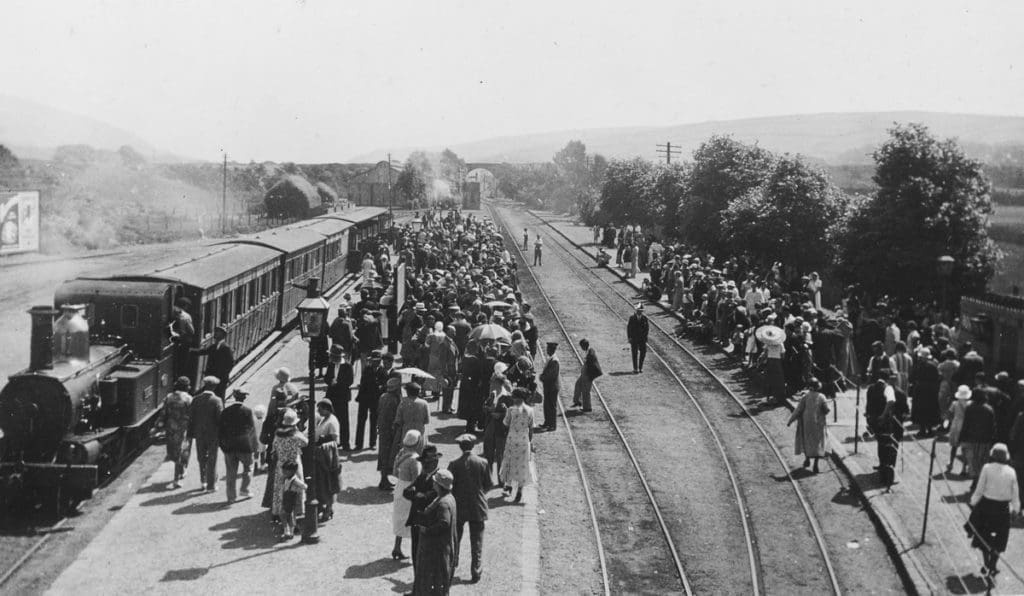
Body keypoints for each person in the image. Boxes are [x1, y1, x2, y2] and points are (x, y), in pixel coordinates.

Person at [967, 443, 1020, 580]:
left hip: (987, 506)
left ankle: (986, 562)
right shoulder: (1011, 471)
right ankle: (993, 564)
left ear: (993, 454)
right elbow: (1015, 494)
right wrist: (1016, 509)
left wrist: (973, 502)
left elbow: (979, 488)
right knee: (1001, 538)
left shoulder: (987, 468)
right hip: (1003, 509)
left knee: (983, 535)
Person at [449, 433, 493, 584]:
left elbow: (450, 487)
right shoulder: (483, 462)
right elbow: (488, 484)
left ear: (460, 447)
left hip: (459, 506)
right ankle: (476, 571)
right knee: (477, 541)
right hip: (477, 506)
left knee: (455, 538)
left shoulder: (454, 464)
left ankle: (452, 565)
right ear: (473, 446)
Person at [413, 469, 457, 596]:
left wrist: (426, 530)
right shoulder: (448, 498)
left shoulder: (443, 503)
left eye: (435, 482)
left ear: (439, 485)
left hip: (437, 549)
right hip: (442, 547)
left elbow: (444, 523)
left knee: (436, 582)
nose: (433, 484)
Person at [218, 388, 258, 503]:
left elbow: (220, 430)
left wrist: (222, 445)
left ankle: (231, 497)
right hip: (244, 446)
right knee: (248, 468)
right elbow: (252, 430)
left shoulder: (225, 411)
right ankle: (245, 489)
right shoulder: (247, 411)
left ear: (234, 396)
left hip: (229, 446)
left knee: (231, 472)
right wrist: (254, 447)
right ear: (244, 398)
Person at [271, 408, 308, 526]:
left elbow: (274, 447)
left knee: (281, 490)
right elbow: (306, 443)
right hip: (294, 465)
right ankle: (297, 514)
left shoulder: (278, 434)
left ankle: (280, 513)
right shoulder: (295, 435)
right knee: (296, 489)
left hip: (281, 465)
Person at [787, 378, 830, 473]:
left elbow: (798, 410)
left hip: (806, 423)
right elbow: (826, 410)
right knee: (818, 443)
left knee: (807, 441)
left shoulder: (805, 397)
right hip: (818, 424)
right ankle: (816, 464)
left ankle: (807, 459)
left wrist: (790, 421)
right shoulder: (822, 397)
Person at [188, 376, 223, 492]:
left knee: (201, 457)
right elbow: (220, 419)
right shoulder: (217, 400)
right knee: (212, 458)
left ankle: (203, 481)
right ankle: (211, 485)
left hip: (199, 434)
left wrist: (191, 433)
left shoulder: (196, 399)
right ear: (214, 387)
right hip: (213, 434)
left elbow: (191, 417)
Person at [392, 430, 423, 561]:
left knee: (400, 517)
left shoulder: (401, 454)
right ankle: (417, 551)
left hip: (400, 487)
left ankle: (397, 547)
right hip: (410, 489)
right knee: (413, 519)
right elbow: (417, 478)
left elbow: (394, 472)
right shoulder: (415, 459)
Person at [501, 388, 535, 503]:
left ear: (516, 398)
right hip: (524, 441)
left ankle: (508, 484)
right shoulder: (530, 410)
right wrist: (530, 441)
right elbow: (531, 428)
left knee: (509, 462)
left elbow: (506, 423)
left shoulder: (511, 410)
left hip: (511, 440)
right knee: (523, 465)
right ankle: (519, 490)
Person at [961, 389, 997, 490]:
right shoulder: (989, 409)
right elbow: (993, 426)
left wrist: (962, 437)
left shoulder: (970, 408)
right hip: (985, 440)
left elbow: (966, 424)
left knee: (973, 461)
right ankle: (979, 482)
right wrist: (993, 439)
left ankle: (975, 481)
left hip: (972, 439)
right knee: (983, 462)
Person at [313, 400, 342, 521]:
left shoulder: (332, 421)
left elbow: (335, 440)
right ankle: (322, 506)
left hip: (328, 456)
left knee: (329, 482)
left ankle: (328, 508)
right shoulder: (322, 419)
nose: (318, 411)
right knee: (321, 482)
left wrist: (322, 439)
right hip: (320, 455)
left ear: (327, 409)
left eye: (320, 409)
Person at [163, 376, 193, 489]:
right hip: (183, 429)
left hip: (171, 429)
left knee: (174, 452)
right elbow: (192, 414)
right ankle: (177, 478)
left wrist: (158, 426)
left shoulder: (169, 397)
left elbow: (163, 413)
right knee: (182, 452)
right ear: (187, 387)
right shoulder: (188, 398)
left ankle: (181, 472)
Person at [190, 325, 234, 398]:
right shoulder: (214, 346)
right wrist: (190, 350)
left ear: (223, 335)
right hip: (211, 377)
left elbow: (231, 363)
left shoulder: (226, 348)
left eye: (218, 332)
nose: (215, 333)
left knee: (220, 397)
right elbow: (203, 351)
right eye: (215, 332)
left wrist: (223, 376)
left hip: (221, 379)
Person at [377, 377, 403, 491]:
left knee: (383, 454)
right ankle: (384, 480)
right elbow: (394, 416)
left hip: (383, 429)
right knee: (389, 455)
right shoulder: (394, 399)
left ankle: (384, 479)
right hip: (390, 430)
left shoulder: (383, 397)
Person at [354, 350, 383, 450]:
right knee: (361, 421)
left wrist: (380, 386)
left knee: (374, 421)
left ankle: (372, 443)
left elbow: (384, 387)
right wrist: (359, 397)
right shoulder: (367, 369)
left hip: (375, 400)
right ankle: (359, 444)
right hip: (365, 398)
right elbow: (363, 384)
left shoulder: (382, 371)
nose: (376, 362)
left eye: (377, 360)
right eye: (374, 360)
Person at [393, 382, 430, 455]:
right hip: (420, 431)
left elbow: (398, 420)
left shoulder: (403, 402)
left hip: (407, 431)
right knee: (419, 454)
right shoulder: (424, 403)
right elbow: (427, 420)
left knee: (406, 454)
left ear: (408, 392)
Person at [875, 397, 904, 487]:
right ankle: (889, 479)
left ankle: (883, 477)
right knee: (892, 453)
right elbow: (906, 411)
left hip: (883, 428)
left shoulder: (881, 391)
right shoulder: (900, 394)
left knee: (883, 451)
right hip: (895, 429)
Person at [279, 460, 307, 541]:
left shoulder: (295, 480)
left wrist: (298, 490)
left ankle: (288, 532)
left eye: (286, 470)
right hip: (286, 499)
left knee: (287, 515)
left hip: (291, 500)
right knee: (287, 516)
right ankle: (288, 531)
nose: (283, 472)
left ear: (292, 471)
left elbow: (304, 486)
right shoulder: (287, 478)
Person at [947, 385, 972, 474]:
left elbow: (949, 414)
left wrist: (951, 420)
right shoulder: (970, 404)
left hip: (956, 424)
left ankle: (951, 463)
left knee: (954, 446)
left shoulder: (955, 403)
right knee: (964, 448)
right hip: (965, 425)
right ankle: (964, 468)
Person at [572, 338, 601, 413]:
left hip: (587, 375)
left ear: (584, 346)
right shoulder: (589, 351)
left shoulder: (590, 353)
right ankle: (577, 401)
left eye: (581, 346)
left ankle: (587, 408)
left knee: (586, 391)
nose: (581, 348)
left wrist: (589, 376)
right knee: (578, 385)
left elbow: (592, 365)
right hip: (584, 374)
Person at [169, 298, 196, 378]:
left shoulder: (169, 310)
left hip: (169, 342)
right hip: (182, 343)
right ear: (185, 306)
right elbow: (192, 331)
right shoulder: (185, 316)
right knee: (182, 364)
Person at [539, 341, 560, 431]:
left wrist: (542, 377)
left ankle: (552, 425)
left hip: (552, 387)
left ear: (552, 350)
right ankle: (547, 423)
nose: (547, 350)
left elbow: (551, 375)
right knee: (547, 405)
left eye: (548, 349)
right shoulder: (551, 358)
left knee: (551, 406)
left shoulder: (554, 361)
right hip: (549, 387)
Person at [627, 303, 650, 374]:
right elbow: (629, 329)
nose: (640, 312)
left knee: (643, 353)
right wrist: (629, 337)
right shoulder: (632, 318)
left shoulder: (645, 318)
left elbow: (647, 329)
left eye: (641, 311)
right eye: (638, 310)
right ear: (636, 310)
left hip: (642, 339)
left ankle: (640, 367)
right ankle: (635, 368)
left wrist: (645, 337)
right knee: (634, 353)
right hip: (634, 338)